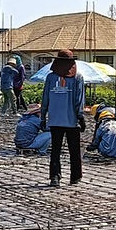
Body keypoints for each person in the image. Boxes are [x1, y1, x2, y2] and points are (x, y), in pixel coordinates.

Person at [40, 49, 85, 187]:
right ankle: (75, 177)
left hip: (55, 120)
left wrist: (43, 116)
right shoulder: (78, 77)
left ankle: (55, 177)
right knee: (74, 151)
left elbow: (45, 99)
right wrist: (80, 116)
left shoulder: (50, 78)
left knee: (55, 151)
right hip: (71, 121)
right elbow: (79, 100)